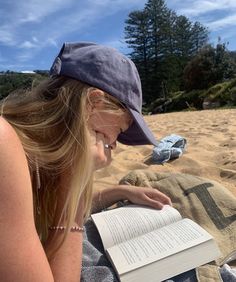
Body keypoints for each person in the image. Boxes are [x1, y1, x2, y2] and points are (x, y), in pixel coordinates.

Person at [0, 42, 172, 282]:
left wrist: (118, 191)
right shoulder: (4, 145)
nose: (114, 143)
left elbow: (29, 207)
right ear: (93, 103)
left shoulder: (31, 154)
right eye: (119, 130)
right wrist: (75, 173)